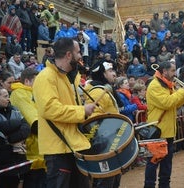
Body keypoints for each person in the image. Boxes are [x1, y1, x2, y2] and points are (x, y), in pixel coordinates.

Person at [32, 37, 96, 188]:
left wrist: (84, 112)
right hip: (58, 149)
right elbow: (50, 109)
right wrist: (82, 111)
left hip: (73, 145)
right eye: (78, 52)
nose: (81, 56)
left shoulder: (68, 78)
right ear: (69, 55)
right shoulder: (45, 77)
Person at [144, 61, 184, 188]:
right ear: (164, 71)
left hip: (168, 131)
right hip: (158, 131)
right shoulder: (155, 85)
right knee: (153, 164)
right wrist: (181, 92)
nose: (175, 73)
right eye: (172, 70)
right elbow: (167, 103)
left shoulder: (168, 85)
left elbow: (175, 104)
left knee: (166, 165)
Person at [84, 60, 124, 188]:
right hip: (104, 146)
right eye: (110, 71)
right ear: (102, 74)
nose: (114, 74)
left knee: (113, 181)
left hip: (111, 143)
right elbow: (93, 120)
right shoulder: (97, 92)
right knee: (105, 182)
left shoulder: (104, 90)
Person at [10, 68, 46, 188]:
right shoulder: (19, 93)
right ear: (27, 81)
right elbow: (35, 123)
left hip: (42, 150)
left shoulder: (33, 93)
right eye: (38, 81)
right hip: (32, 152)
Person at [0, 86, 31, 188]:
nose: (8, 99)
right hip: (3, 165)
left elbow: (26, 128)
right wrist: (16, 126)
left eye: (8, 96)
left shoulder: (15, 110)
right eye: (5, 96)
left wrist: (10, 139)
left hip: (21, 160)